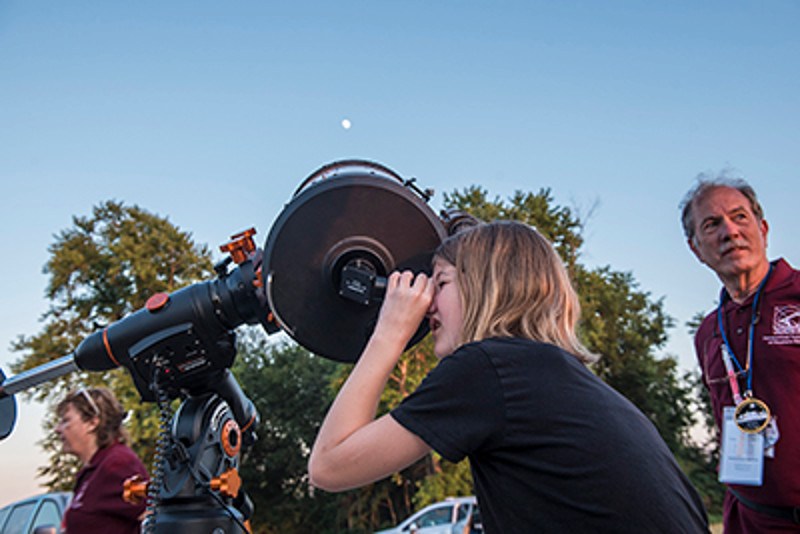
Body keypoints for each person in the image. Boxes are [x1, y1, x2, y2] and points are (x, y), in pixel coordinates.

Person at [309, 220, 709, 533]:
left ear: (486, 286)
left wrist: (390, 332)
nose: (427, 300)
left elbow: (329, 466)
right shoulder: (554, 375)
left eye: (441, 282)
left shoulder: (489, 368)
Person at [681, 176, 800, 532]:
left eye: (740, 217)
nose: (729, 232)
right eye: (712, 224)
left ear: (762, 229)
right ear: (696, 248)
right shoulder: (707, 332)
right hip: (751, 518)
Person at [55, 386, 149, 534]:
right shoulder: (92, 472)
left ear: (92, 423)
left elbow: (151, 515)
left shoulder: (118, 464)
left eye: (66, 421)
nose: (58, 429)